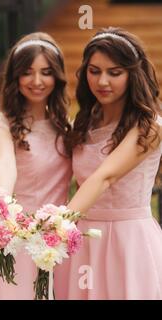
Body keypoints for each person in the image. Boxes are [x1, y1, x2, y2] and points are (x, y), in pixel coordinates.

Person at [59, 27, 162, 299]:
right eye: (94, 71)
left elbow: (105, 177)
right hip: (84, 242)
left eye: (114, 73)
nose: (102, 81)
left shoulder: (149, 127)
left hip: (129, 242)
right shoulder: (81, 124)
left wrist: (57, 224)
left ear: (132, 74)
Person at [0, 32, 72, 299]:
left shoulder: (68, 127)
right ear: (15, 77)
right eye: (27, 73)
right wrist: (2, 208)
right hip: (17, 237)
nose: (37, 81)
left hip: (59, 240)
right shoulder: (2, 125)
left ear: (57, 76)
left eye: (46, 72)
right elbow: (4, 165)